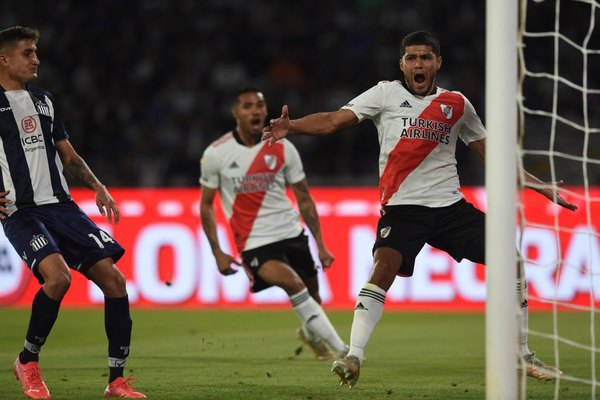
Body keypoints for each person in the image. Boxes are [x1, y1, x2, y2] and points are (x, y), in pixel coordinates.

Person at [262, 31, 578, 388]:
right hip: (403, 209)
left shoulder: (457, 104)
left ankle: (520, 354)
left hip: (450, 208)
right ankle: (354, 357)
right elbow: (335, 120)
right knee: (383, 269)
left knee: (512, 258)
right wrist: (293, 127)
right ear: (402, 64)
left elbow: (494, 158)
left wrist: (540, 187)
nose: (418, 64)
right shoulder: (385, 93)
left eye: (426, 57)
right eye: (411, 58)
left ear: (438, 63)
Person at [0, 26, 145, 399]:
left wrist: (96, 184)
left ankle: (116, 381)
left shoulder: (45, 100)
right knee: (58, 278)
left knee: (115, 283)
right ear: (4, 59)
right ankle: (27, 361)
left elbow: (69, 156)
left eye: (36, 52)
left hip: (62, 207)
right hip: (21, 211)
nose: (36, 59)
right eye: (28, 52)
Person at [200, 87, 348, 362]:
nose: (255, 110)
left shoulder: (283, 147)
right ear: (235, 112)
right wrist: (217, 251)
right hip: (255, 243)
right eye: (247, 106)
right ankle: (344, 352)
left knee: (314, 298)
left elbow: (304, 198)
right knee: (293, 284)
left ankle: (311, 334)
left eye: (259, 105)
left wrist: (321, 245)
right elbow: (206, 206)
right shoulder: (216, 154)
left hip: (292, 234)